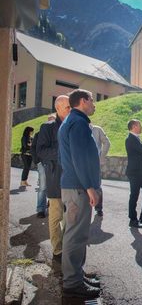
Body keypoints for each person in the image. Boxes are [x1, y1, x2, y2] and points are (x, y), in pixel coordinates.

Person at [58, 89, 101, 299]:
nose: (94, 104)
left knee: (77, 234)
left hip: (74, 186)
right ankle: (72, 283)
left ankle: (76, 275)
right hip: (78, 188)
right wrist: (90, 187)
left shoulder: (71, 121)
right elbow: (79, 158)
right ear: (83, 101)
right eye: (92, 100)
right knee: (75, 236)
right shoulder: (78, 123)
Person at [37, 98, 70, 260]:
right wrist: (61, 150)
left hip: (72, 179)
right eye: (67, 106)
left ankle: (67, 246)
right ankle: (57, 250)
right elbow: (41, 151)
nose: (71, 109)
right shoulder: (47, 127)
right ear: (58, 108)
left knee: (69, 217)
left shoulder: (72, 126)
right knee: (56, 216)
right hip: (55, 177)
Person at [31, 114, 56, 218]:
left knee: (54, 186)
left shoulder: (58, 133)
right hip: (42, 163)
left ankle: (51, 206)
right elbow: (34, 148)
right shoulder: (39, 134)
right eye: (49, 120)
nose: (51, 122)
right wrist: (37, 161)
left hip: (54, 164)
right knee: (43, 186)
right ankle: (41, 209)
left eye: (53, 121)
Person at [90, 124, 111, 217]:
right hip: (82, 163)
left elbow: (107, 142)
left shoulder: (97, 129)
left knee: (97, 185)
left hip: (95, 163)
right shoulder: (77, 128)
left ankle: (99, 208)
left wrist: (101, 157)